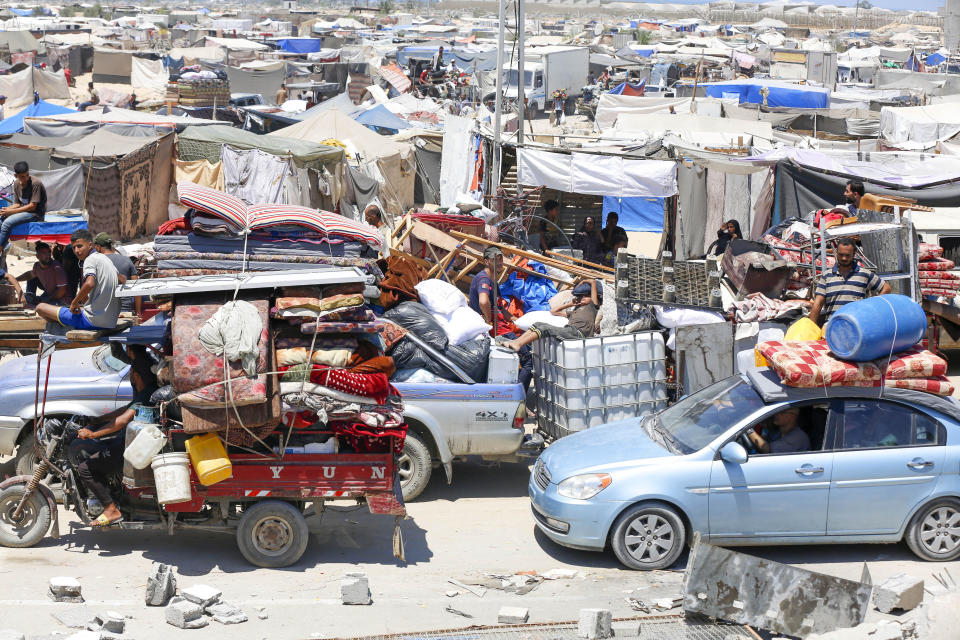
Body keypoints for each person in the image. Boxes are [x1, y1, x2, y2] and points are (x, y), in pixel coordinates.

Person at [68, 348, 158, 526]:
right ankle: (109, 494)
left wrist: (93, 433)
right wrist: (97, 420)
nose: (130, 376)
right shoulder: (145, 391)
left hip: (131, 448)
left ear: (136, 375)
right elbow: (124, 411)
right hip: (128, 442)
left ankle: (111, 509)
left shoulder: (146, 394)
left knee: (86, 468)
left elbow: (123, 420)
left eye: (131, 372)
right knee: (98, 449)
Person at [35, 228, 120, 331]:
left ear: (90, 245)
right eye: (74, 247)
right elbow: (122, 278)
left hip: (93, 321)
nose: (76, 251)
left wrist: (74, 303)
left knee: (40, 308)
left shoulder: (90, 259)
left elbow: (89, 284)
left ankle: (66, 327)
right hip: (110, 321)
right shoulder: (105, 259)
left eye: (80, 246)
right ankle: (67, 321)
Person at [809, 237, 891, 326]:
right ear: (836, 253)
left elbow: (886, 288)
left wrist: (871, 307)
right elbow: (818, 302)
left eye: (847, 255)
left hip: (858, 327)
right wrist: (811, 327)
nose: (844, 258)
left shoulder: (864, 274)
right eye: (841, 255)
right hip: (833, 327)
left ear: (854, 254)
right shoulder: (827, 276)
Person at [503, 279, 600, 351]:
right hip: (569, 330)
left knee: (545, 328)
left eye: (586, 296)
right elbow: (553, 311)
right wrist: (570, 304)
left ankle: (519, 345)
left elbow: (593, 282)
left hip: (579, 334)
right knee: (538, 324)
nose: (582, 298)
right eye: (580, 297)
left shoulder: (592, 307)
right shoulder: (574, 312)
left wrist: (583, 282)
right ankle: (516, 342)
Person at [0, 161, 47, 252]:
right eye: (22, 177)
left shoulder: (35, 183)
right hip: (24, 212)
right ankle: (4, 245)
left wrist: (10, 212)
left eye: (27, 175)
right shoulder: (16, 184)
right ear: (15, 176)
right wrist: (6, 209)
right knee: (1, 218)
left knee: (7, 223)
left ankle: (1, 247)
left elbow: (32, 206)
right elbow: (17, 204)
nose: (25, 178)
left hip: (36, 214)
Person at [469, 246, 517, 331]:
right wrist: (488, 321)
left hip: (499, 325)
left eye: (500, 259)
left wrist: (516, 320)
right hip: (490, 328)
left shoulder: (494, 281)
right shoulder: (484, 279)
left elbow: (501, 308)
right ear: (486, 262)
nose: (499, 263)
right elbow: (483, 302)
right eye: (494, 260)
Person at [93, 233, 140, 316]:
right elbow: (136, 288)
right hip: (125, 311)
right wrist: (138, 311)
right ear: (111, 245)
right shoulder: (126, 260)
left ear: (98, 247)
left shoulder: (96, 262)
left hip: (104, 312)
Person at [17, 241, 71, 306]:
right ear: (37, 256)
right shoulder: (37, 266)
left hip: (62, 300)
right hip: (50, 295)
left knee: (40, 307)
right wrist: (15, 279)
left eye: (49, 252)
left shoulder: (56, 267)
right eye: (44, 253)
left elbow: (62, 291)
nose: (48, 255)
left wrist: (46, 300)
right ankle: (30, 297)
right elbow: (29, 275)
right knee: (31, 279)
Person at [745, 407, 810, 454]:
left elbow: (767, 449)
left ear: (792, 416)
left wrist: (748, 429)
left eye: (781, 412)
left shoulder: (797, 437)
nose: (776, 414)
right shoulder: (779, 431)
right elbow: (764, 440)